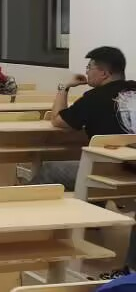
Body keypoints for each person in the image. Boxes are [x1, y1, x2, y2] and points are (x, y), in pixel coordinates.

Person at [34, 46, 136, 277]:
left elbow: (57, 120)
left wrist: (64, 87)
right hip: (133, 170)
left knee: (50, 169)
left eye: (90, 67)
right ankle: (131, 270)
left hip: (107, 172)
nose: (87, 72)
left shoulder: (94, 98)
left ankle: (33, 227)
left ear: (104, 73)